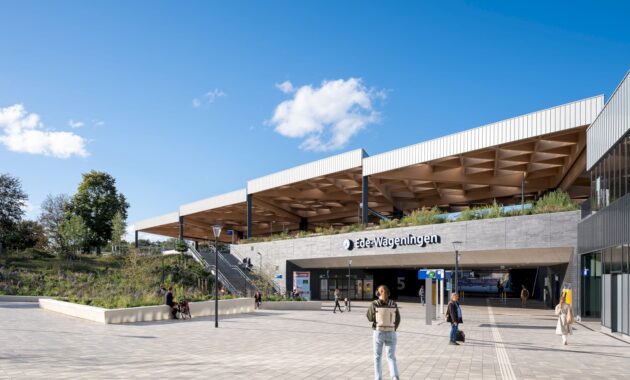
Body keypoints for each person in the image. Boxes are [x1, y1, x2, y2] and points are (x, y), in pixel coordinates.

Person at [366, 285, 400, 380]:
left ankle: (378, 378)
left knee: (377, 356)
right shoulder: (393, 303)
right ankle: (394, 377)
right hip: (391, 332)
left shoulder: (375, 303)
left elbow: (369, 317)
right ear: (389, 293)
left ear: (377, 293)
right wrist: (393, 328)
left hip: (378, 332)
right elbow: (398, 319)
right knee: (391, 357)